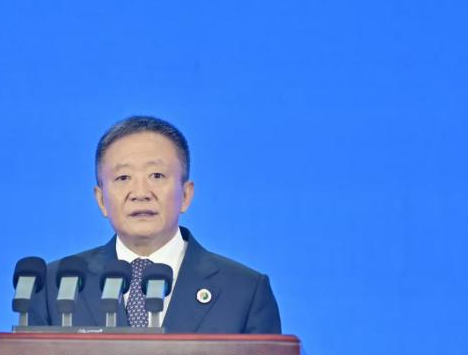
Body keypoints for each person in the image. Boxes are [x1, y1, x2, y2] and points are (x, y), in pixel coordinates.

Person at [28, 115, 281, 334]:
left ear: (186, 194)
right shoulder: (56, 285)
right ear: (101, 200)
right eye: (123, 177)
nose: (140, 193)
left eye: (156, 176)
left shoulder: (244, 290)